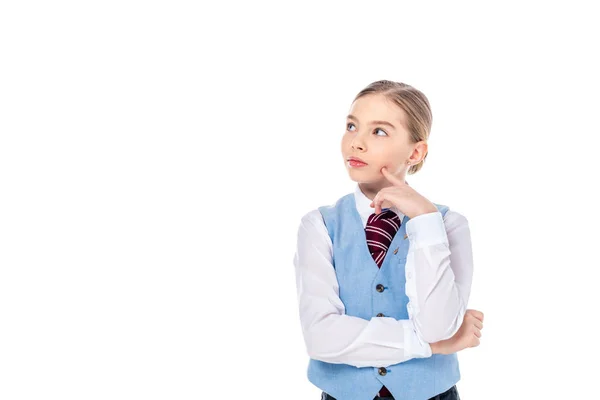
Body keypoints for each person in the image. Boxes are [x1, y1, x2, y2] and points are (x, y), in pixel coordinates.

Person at [293, 80, 484, 400]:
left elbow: (439, 325)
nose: (356, 142)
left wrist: (424, 219)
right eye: (352, 126)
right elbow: (321, 337)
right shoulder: (319, 226)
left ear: (416, 151)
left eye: (378, 131)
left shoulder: (448, 226)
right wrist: (431, 345)